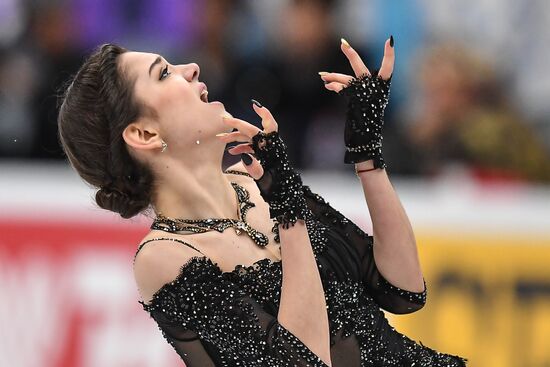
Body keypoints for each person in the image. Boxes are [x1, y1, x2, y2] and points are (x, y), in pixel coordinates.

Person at [57, 36, 467, 366]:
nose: (190, 67)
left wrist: (367, 155)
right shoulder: (164, 257)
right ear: (143, 135)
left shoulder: (255, 182)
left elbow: (403, 290)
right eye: (164, 74)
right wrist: (289, 215)